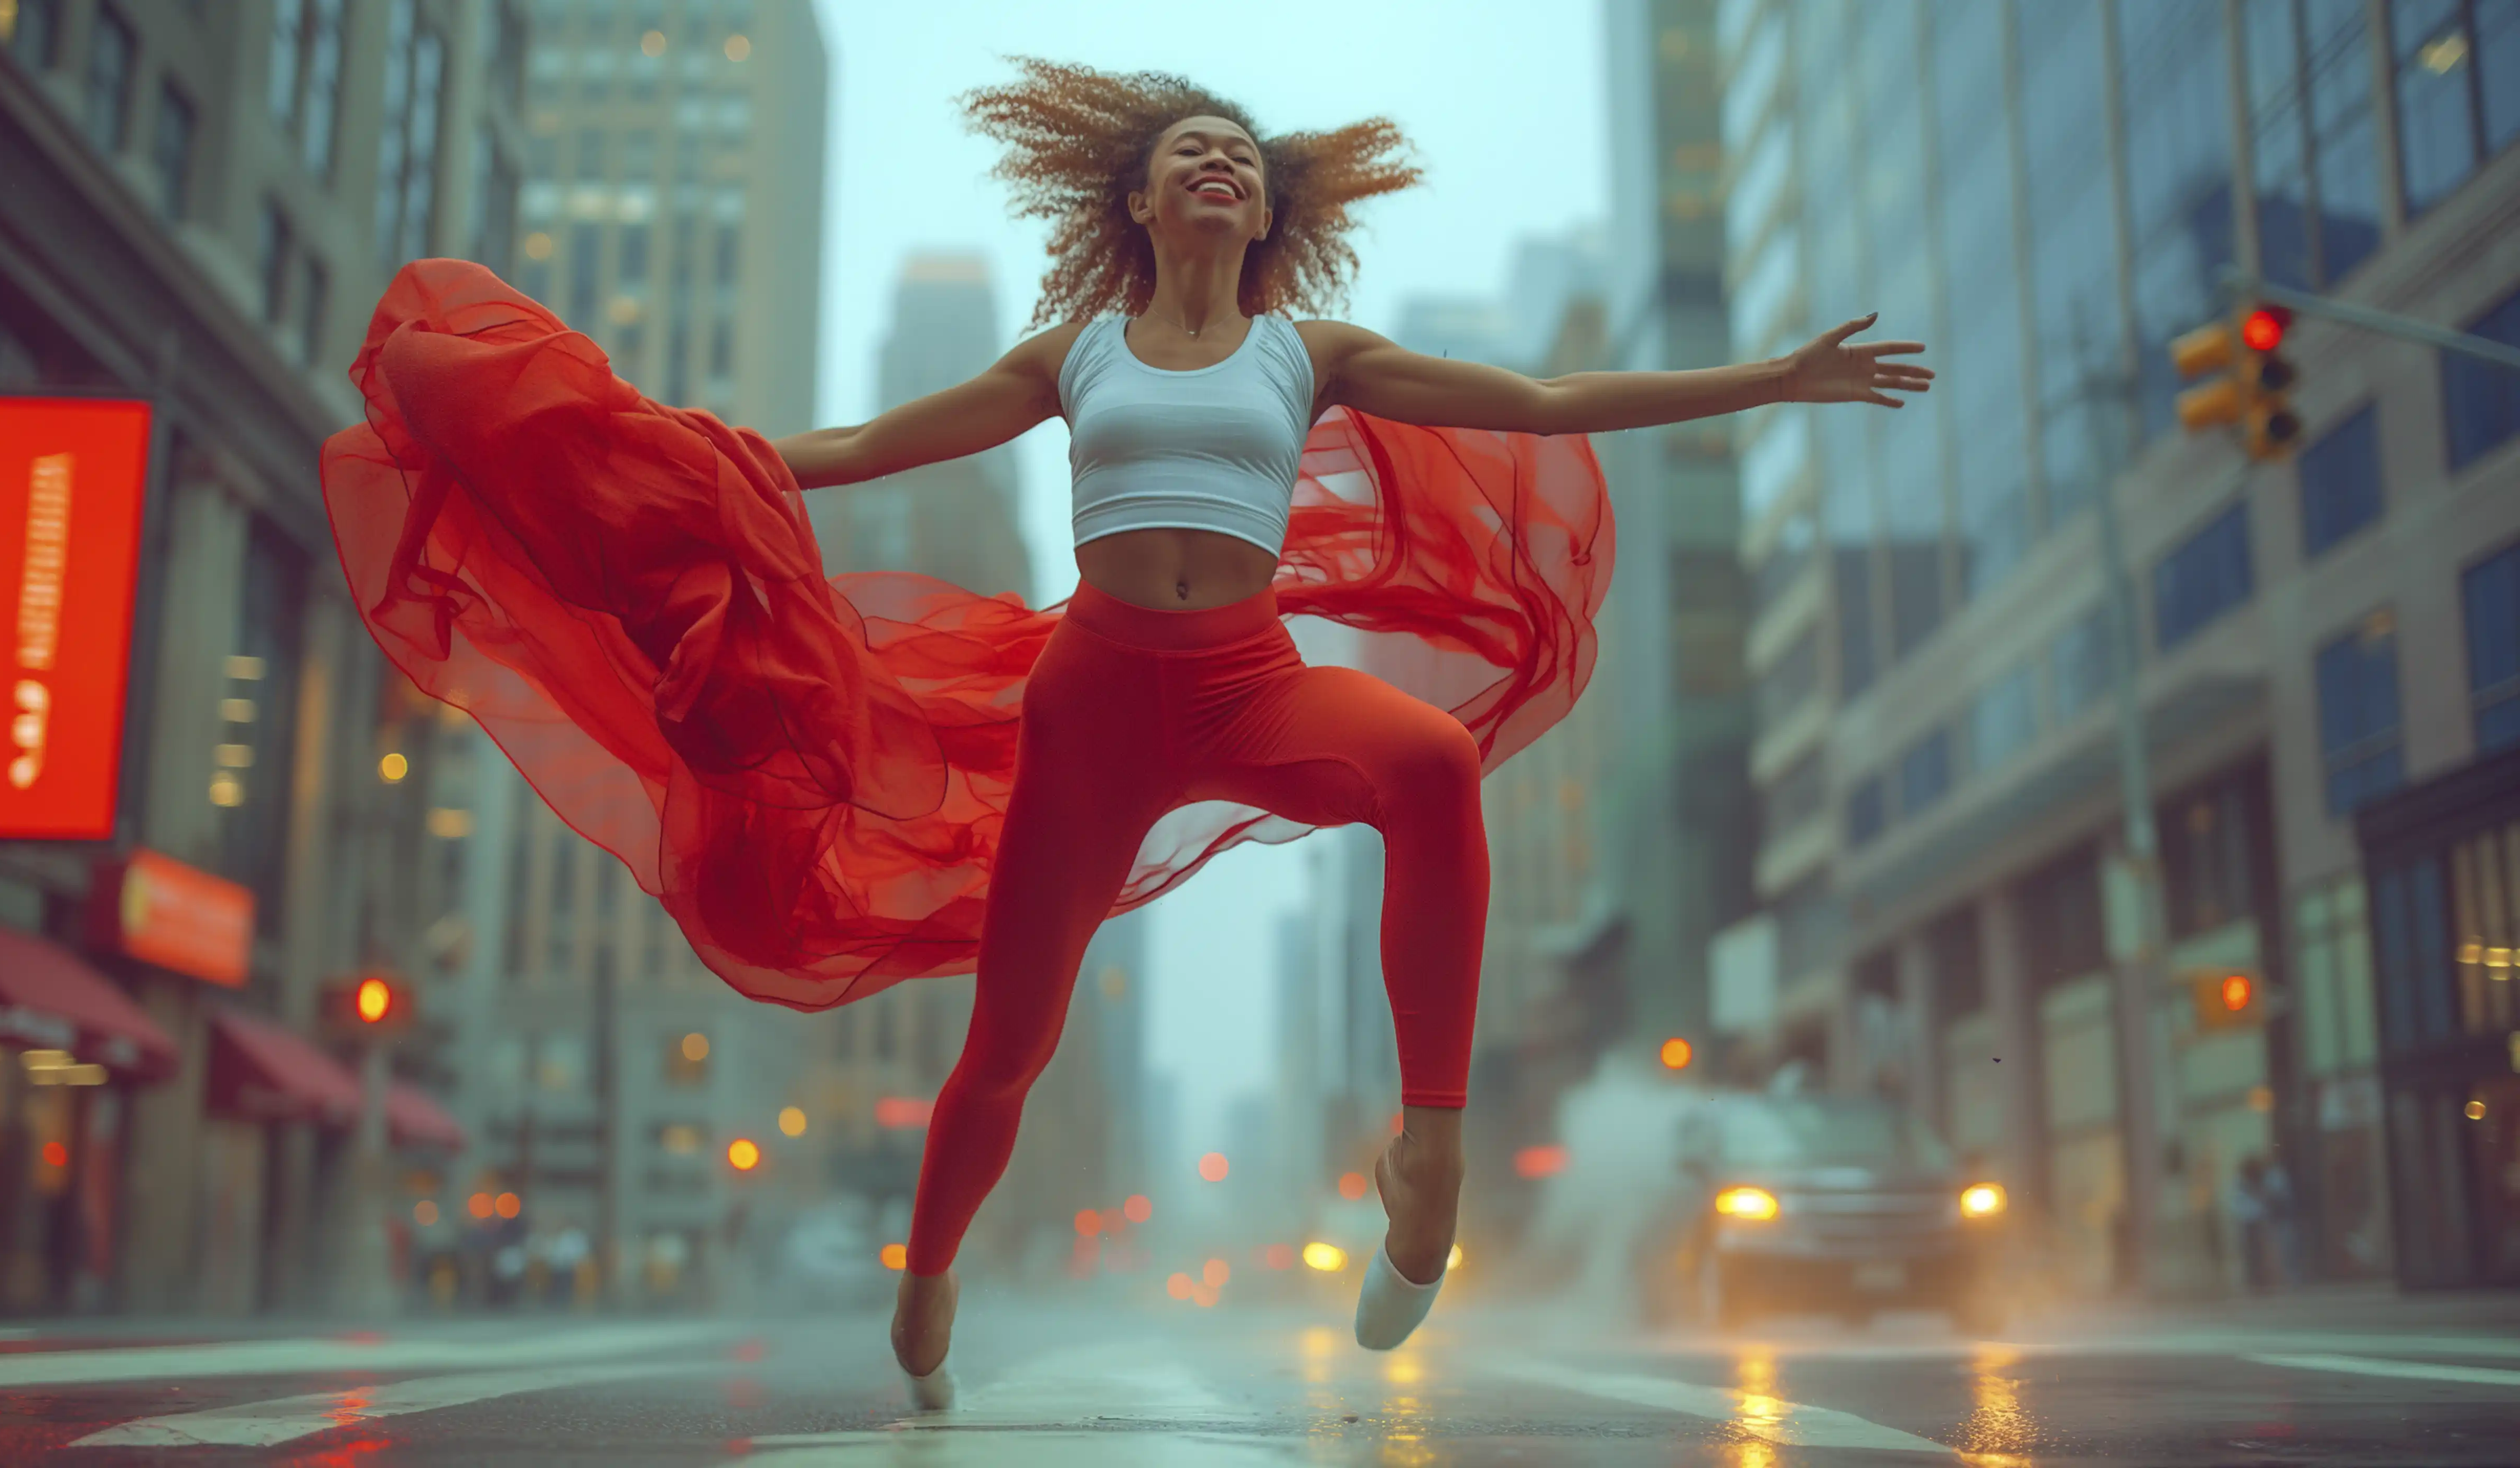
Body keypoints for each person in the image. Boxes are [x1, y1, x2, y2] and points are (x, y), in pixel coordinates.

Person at [316, 59, 1930, 1405]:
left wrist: (1769, 378)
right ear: (1141, 207)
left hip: (1247, 683)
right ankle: (930, 1274)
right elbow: (878, 439)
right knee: (1009, 1044)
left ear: (1264, 210)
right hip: (1094, 708)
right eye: (1186, 155)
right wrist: (682, 463)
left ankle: (1426, 1151)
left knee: (1431, 765)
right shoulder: (1074, 352)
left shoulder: (1316, 355)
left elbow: (1552, 400)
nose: (1218, 164)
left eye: (1238, 153)